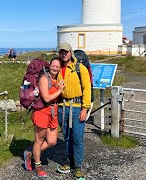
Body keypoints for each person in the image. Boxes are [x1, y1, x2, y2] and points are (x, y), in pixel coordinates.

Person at [23, 58, 65, 178]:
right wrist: (60, 90)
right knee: (39, 140)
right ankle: (38, 165)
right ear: (49, 66)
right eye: (53, 66)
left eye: (57, 67)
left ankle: (30, 153)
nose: (55, 68)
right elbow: (46, 98)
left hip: (53, 112)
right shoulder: (43, 79)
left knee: (52, 141)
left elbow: (55, 91)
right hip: (42, 112)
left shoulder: (56, 79)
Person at [56, 42, 91, 180]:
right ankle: (68, 163)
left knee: (77, 138)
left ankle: (78, 167)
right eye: (61, 52)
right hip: (62, 107)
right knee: (66, 137)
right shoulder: (57, 68)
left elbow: (87, 89)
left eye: (66, 52)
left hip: (77, 108)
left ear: (71, 52)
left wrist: (85, 108)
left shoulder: (79, 68)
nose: (64, 54)